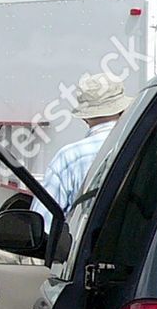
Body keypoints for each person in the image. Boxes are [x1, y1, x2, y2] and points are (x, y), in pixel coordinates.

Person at [32, 74, 131, 225]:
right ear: (123, 110)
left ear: (85, 117)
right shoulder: (143, 145)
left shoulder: (69, 157)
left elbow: (41, 225)